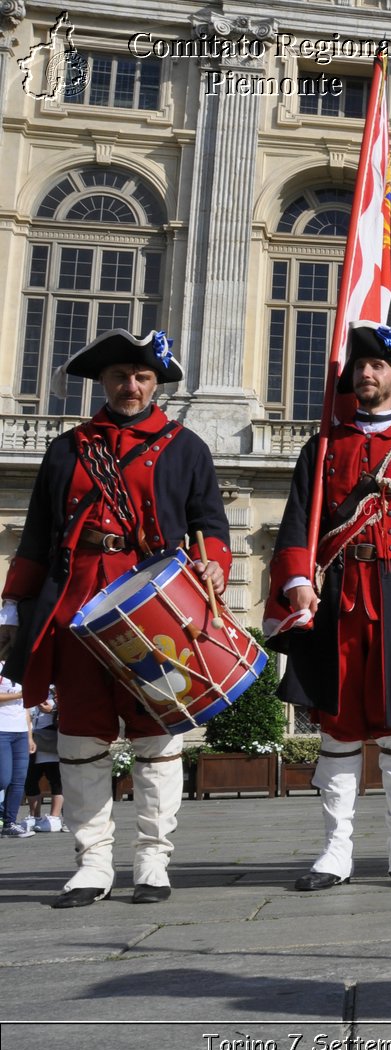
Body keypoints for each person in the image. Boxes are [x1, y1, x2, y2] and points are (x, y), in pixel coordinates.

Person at [0, 328, 231, 905]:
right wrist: (11, 607)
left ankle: (153, 861)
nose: (132, 386)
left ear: (157, 384)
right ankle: (92, 862)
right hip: (77, 605)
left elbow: (213, 524)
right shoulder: (69, 448)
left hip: (154, 609)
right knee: (80, 738)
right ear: (103, 382)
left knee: (156, 739)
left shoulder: (186, 446)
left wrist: (216, 567)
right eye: (121, 377)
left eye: (143, 377)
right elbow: (35, 537)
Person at [269, 323, 391, 892]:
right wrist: (297, 582)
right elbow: (295, 525)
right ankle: (335, 852)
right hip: (335, 602)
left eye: (378, 365)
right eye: (359, 365)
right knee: (337, 732)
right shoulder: (323, 446)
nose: (366, 372)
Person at [25, 688, 65, 833]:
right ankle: (34, 816)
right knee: (31, 778)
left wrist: (53, 710)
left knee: (55, 778)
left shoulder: (57, 688)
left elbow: (71, 706)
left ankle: (55, 817)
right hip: (32, 736)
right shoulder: (30, 687)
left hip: (51, 737)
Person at [0, 674, 31, 838]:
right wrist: (20, 694)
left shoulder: (21, 668)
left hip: (20, 731)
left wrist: (30, 736)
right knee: (3, 778)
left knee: (19, 779)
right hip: (1, 730)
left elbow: (25, 707)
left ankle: (9, 823)